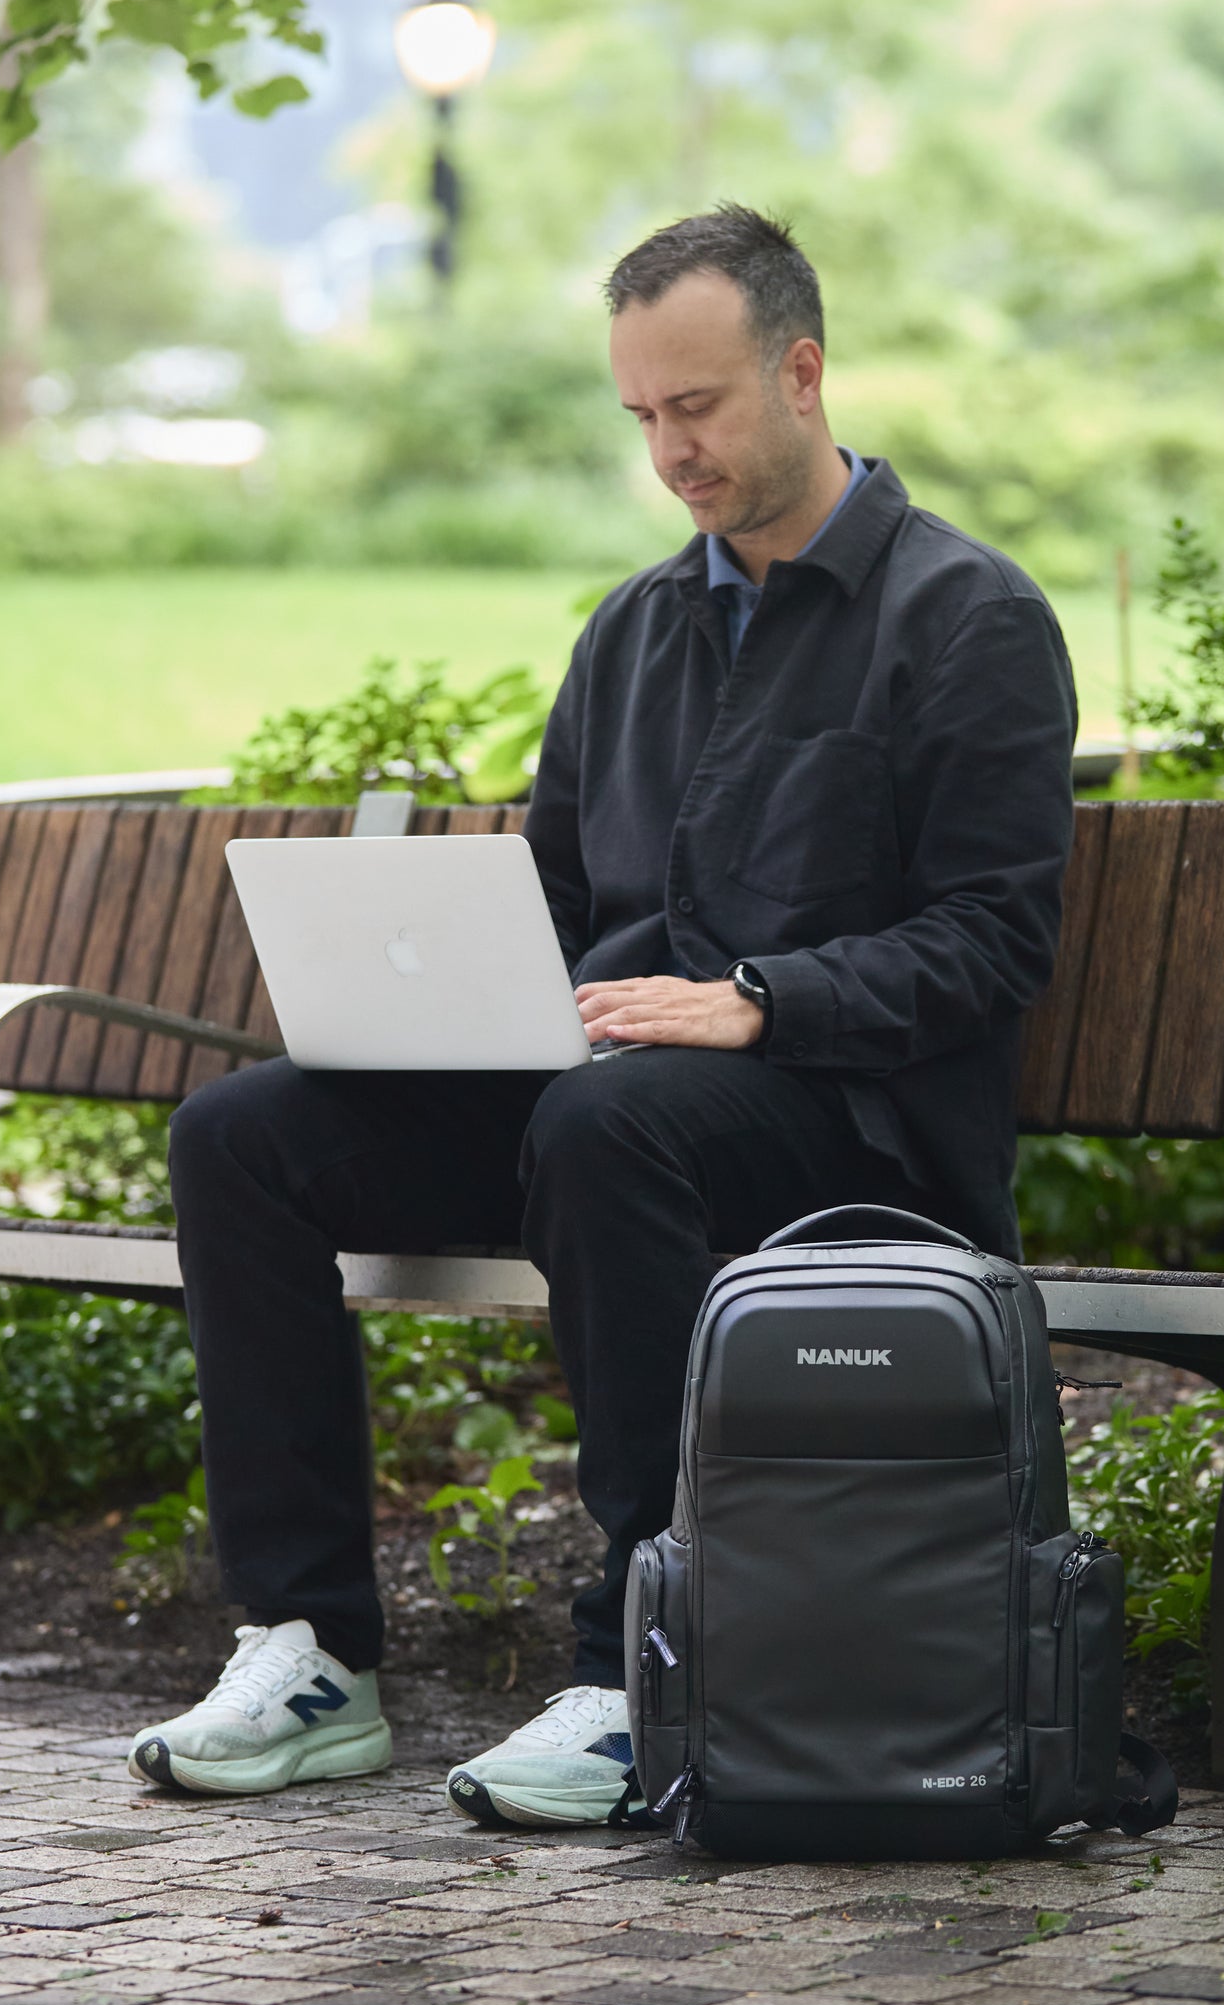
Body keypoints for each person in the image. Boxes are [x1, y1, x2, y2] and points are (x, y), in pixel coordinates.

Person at [127, 204, 1078, 1825]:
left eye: (695, 407)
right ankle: (310, 1653)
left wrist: (760, 1002)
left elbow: (990, 943)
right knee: (245, 1135)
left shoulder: (966, 621)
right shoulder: (634, 629)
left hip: (850, 1134)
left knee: (606, 1116)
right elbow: (558, 904)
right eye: (640, 415)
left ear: (801, 371)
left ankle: (646, 1668)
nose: (669, 452)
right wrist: (445, 999)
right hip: (616, 1110)